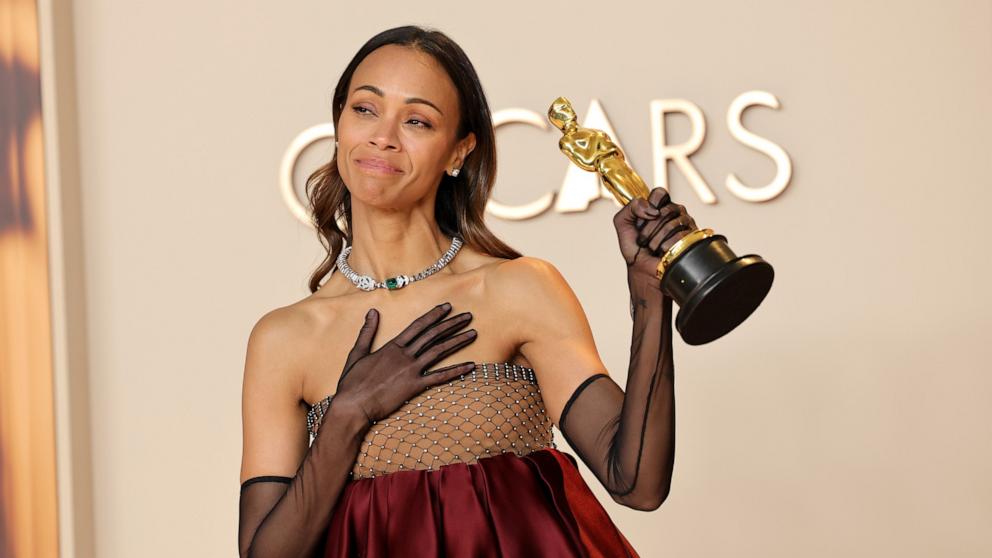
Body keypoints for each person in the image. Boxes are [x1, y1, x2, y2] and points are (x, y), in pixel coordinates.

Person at [238, 25, 698, 558]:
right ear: (339, 123)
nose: (382, 136)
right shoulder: (285, 338)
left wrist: (649, 296)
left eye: (417, 120)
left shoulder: (518, 288)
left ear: (458, 151)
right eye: (365, 109)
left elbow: (637, 483)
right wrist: (347, 413)